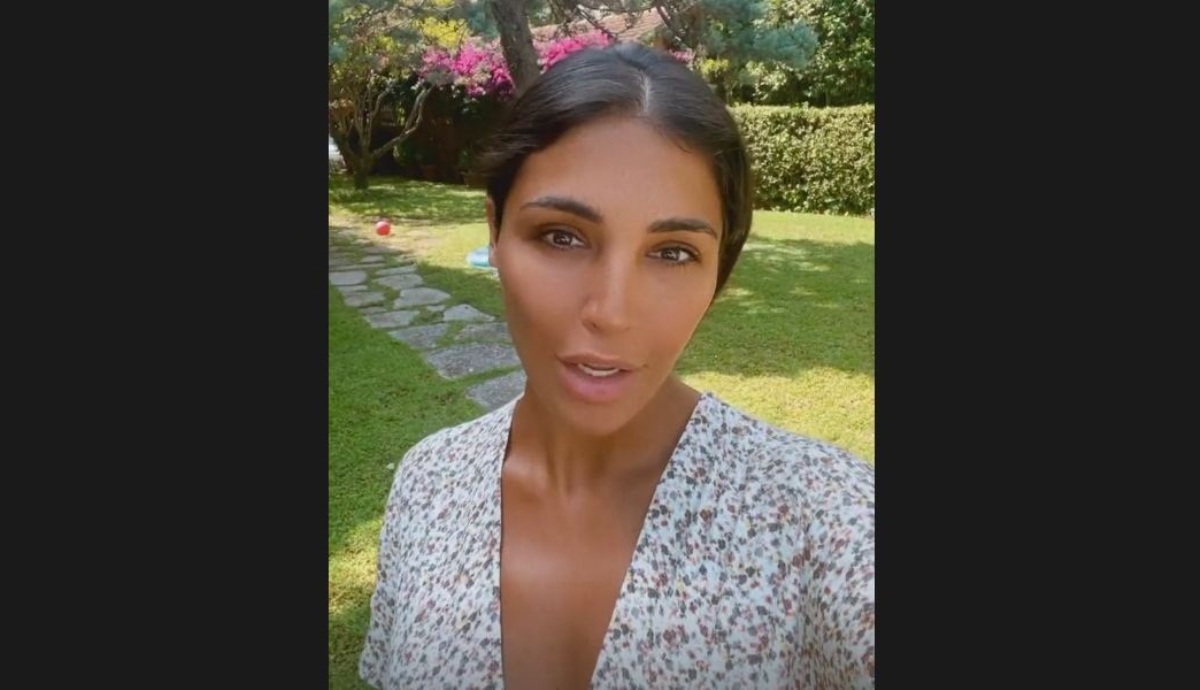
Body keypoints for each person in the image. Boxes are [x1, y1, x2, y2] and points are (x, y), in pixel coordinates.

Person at [359, 41, 874, 690]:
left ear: (720, 268)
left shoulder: (828, 518)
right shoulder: (428, 484)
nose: (610, 311)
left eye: (673, 252)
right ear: (495, 232)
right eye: (561, 237)